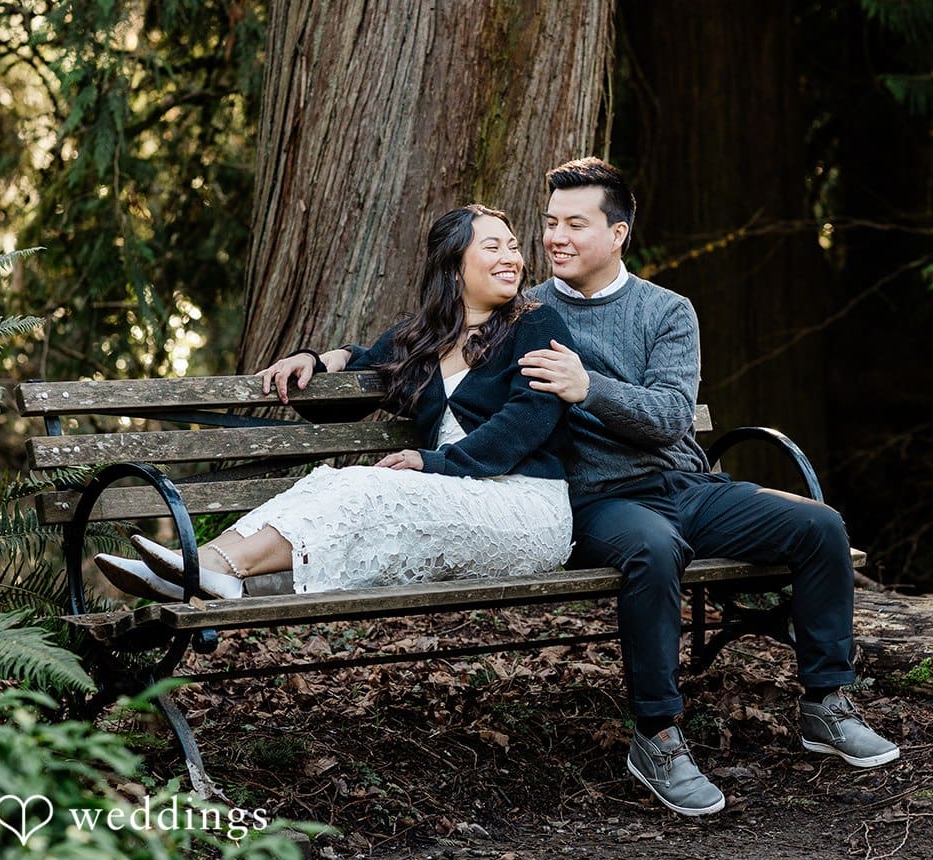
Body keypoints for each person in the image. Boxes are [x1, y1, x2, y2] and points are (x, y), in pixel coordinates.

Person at [517, 158, 900, 818]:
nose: (556, 236)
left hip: (687, 484)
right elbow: (427, 335)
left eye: (575, 223)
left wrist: (591, 387)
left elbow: (670, 414)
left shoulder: (666, 310)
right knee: (656, 548)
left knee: (820, 526)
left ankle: (825, 703)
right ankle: (658, 736)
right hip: (597, 501)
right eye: (550, 222)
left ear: (617, 233)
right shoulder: (527, 313)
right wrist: (331, 359)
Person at [94, 205, 575, 602]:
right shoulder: (422, 339)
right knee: (328, 483)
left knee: (369, 488)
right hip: (451, 499)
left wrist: (434, 462)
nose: (510, 256)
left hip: (522, 506)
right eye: (492, 247)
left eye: (512, 246)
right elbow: (360, 373)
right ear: (453, 266)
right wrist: (316, 361)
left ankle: (209, 567)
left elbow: (527, 421)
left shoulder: (535, 324)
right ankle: (198, 568)